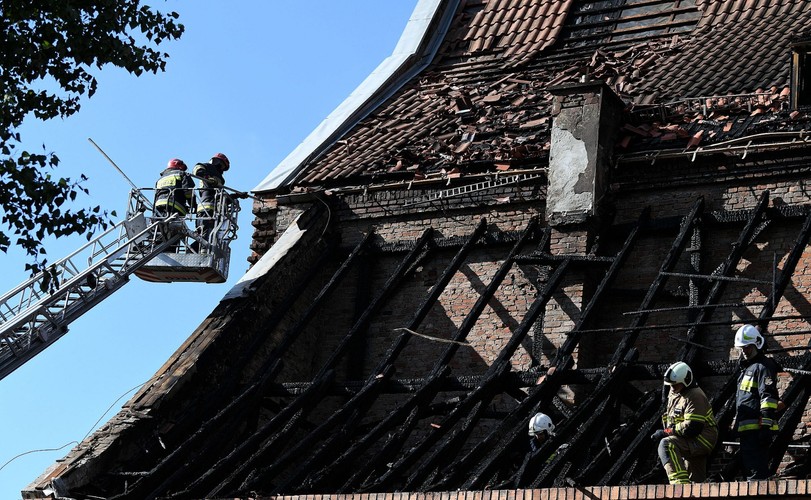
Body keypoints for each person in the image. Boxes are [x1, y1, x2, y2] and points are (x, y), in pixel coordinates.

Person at [650, 361, 717, 484]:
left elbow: (692, 428)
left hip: (700, 439)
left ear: (686, 380)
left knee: (666, 445)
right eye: (670, 385)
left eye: (675, 385)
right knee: (697, 483)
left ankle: (679, 487)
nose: (672, 388)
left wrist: (666, 432)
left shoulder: (695, 395)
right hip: (688, 438)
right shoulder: (676, 393)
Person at [733, 324, 781, 480]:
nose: (744, 351)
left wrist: (765, 427)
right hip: (747, 429)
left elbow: (768, 398)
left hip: (757, 429)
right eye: (742, 348)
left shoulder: (763, 367)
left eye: (747, 348)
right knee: (749, 470)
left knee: (756, 474)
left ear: (756, 344)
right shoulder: (748, 368)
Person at [153, 158, 194, 252]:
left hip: (159, 207)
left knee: (160, 230)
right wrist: (193, 205)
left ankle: (157, 248)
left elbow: (156, 195)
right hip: (175, 207)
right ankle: (170, 250)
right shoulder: (181, 174)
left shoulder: (160, 179)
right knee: (173, 232)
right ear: (178, 165)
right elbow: (188, 191)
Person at [192, 152, 229, 252]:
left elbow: (221, 194)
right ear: (217, 161)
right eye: (222, 165)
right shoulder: (208, 167)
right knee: (204, 232)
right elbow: (197, 168)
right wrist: (206, 176)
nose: (222, 169)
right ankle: (199, 251)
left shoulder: (220, 179)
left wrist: (235, 196)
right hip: (205, 207)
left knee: (210, 235)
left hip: (214, 210)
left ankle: (197, 250)